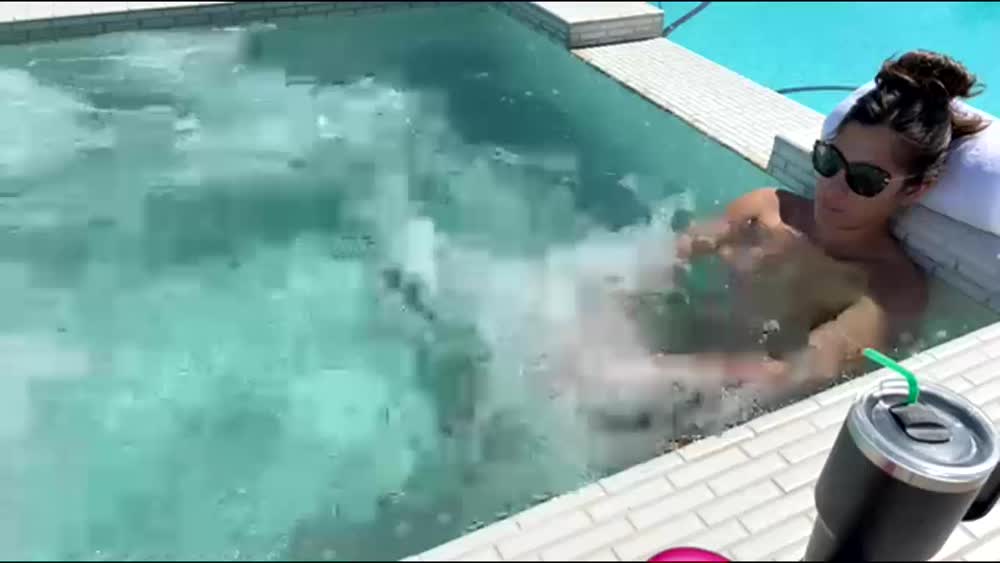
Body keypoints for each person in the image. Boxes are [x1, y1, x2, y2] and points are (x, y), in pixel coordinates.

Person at [671, 50, 990, 392]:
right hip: (683, 352)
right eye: (830, 160)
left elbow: (791, 372)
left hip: (714, 394)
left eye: (865, 179)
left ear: (914, 189)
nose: (834, 188)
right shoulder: (764, 209)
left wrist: (654, 371)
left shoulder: (890, 290)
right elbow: (670, 255)